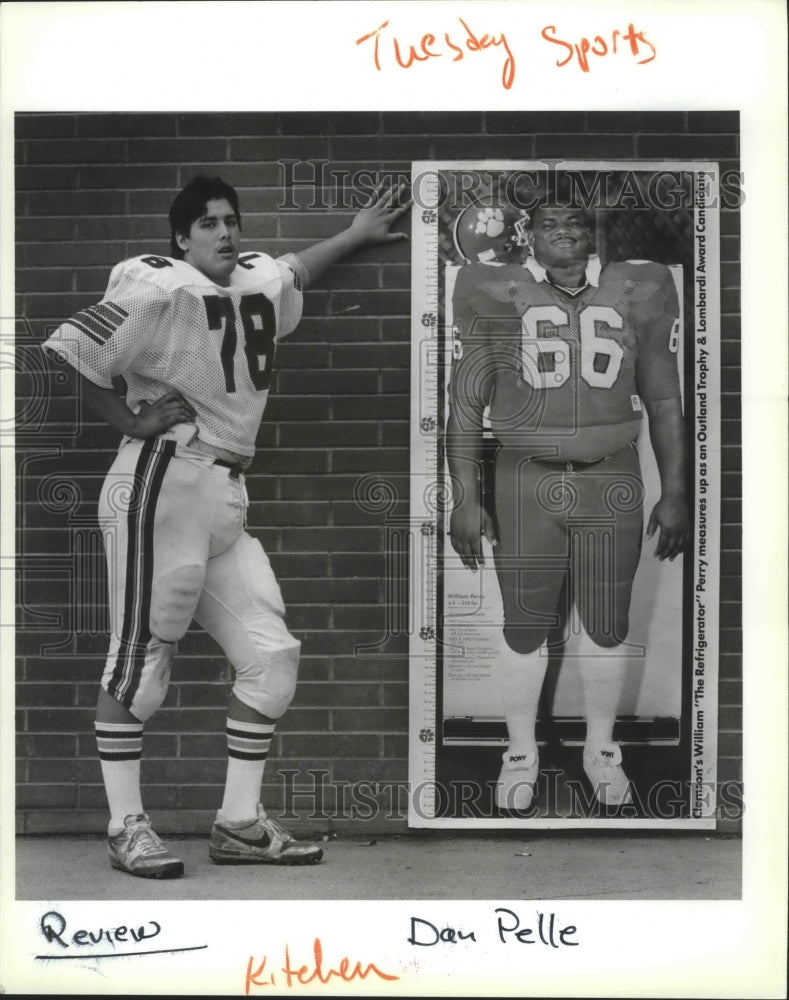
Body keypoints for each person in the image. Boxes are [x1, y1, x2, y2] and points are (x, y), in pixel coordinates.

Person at [42, 175, 409, 877]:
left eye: (230, 220)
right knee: (141, 660)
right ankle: (126, 827)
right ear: (180, 237)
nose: (224, 232)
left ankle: (239, 823)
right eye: (207, 223)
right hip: (162, 477)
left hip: (224, 490)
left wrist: (355, 235)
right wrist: (127, 419)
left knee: (272, 658)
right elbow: (66, 348)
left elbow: (294, 268)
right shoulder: (159, 285)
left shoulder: (253, 277)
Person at [447, 194, 689, 812]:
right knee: (524, 626)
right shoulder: (492, 291)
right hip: (524, 478)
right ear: (528, 237)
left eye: (574, 223)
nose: (563, 232)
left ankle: (601, 749)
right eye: (549, 224)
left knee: (608, 625)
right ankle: (520, 752)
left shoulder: (638, 290)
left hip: (611, 476)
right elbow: (466, 407)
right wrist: (466, 497)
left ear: (592, 235)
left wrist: (677, 490)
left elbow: (663, 401)